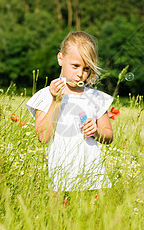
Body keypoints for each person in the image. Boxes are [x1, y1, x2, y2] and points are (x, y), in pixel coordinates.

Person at [26, 31, 113, 192]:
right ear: (60, 59)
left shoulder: (95, 97)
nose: (80, 73)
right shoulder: (46, 96)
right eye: (75, 66)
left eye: (86, 69)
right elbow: (43, 137)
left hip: (93, 179)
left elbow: (108, 136)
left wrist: (96, 131)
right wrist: (56, 102)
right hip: (62, 179)